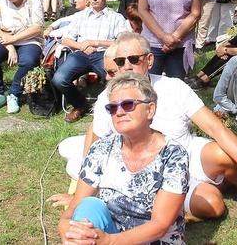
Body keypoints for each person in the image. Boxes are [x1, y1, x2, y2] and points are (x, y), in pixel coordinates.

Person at [81, 32, 237, 220]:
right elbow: (96, 147)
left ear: (149, 60)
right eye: (120, 61)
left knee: (222, 154)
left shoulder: (173, 87)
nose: (126, 66)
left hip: (188, 154)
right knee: (213, 206)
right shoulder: (106, 99)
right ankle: (189, 202)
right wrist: (80, 196)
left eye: (134, 59)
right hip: (148, 173)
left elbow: (215, 128)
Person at [57, 72, 188, 245]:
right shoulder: (102, 148)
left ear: (150, 110)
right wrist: (64, 224)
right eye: (112, 107)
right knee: (90, 205)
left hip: (154, 241)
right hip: (110, 235)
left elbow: (160, 225)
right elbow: (76, 204)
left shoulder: (173, 155)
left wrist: (109, 241)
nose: (119, 112)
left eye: (128, 105)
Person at [54, 0, 129, 122]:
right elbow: (65, 39)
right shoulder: (81, 15)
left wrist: (96, 43)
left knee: (115, 79)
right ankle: (80, 105)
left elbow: (122, 41)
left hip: (104, 54)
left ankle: (111, 108)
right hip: (81, 54)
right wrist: (81, 46)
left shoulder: (116, 17)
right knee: (59, 79)